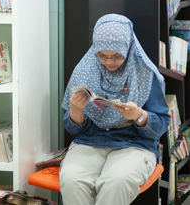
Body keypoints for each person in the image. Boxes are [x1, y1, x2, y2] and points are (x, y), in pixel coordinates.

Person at [60, 13, 170, 205]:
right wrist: (76, 111)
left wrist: (139, 115)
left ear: (128, 48)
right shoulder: (85, 69)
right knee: (72, 180)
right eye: (102, 56)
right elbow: (73, 129)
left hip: (135, 144)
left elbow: (161, 124)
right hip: (90, 140)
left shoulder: (144, 72)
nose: (109, 62)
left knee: (117, 181)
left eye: (116, 57)